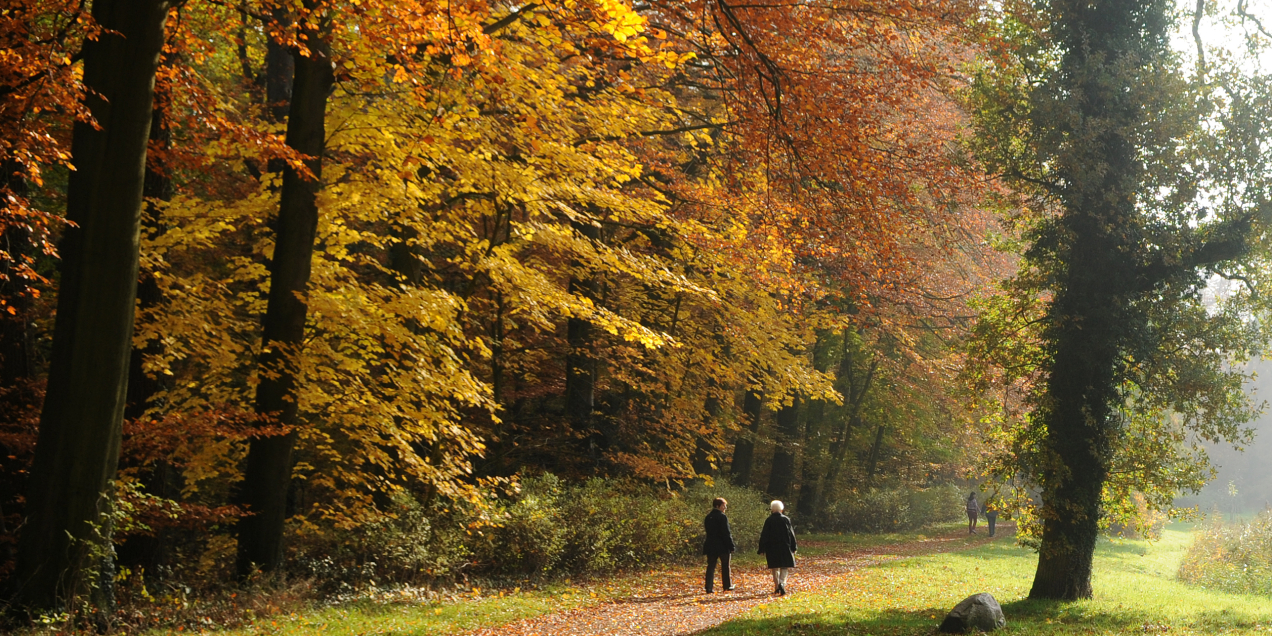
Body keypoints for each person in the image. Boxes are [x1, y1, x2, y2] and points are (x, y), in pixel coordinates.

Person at [758, 499, 797, 595]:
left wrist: (761, 548)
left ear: (772, 509)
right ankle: (782, 583)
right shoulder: (786, 519)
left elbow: (764, 535)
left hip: (772, 547)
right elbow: (791, 534)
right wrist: (794, 546)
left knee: (774, 567)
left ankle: (776, 586)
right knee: (784, 567)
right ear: (781, 509)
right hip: (784, 546)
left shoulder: (769, 520)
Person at [703, 497, 736, 593]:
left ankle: (708, 587)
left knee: (711, 566)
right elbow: (726, 533)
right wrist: (731, 546)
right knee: (725, 566)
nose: (725, 507)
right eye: (723, 505)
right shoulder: (722, 517)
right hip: (722, 546)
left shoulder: (708, 517)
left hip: (711, 545)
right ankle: (727, 585)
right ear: (718, 506)